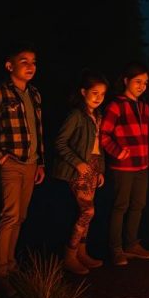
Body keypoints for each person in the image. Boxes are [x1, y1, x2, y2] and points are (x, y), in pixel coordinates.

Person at [0, 43, 45, 295]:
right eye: (23, 61)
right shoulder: (1, 94)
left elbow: (38, 130)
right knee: (10, 216)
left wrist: (41, 162)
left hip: (31, 163)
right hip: (11, 164)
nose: (30, 66)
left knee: (21, 217)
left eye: (33, 61)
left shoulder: (34, 94)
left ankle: (11, 266)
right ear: (9, 65)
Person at [53, 69, 128, 275]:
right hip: (79, 168)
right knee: (87, 211)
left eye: (102, 94)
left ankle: (82, 252)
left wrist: (101, 170)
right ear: (83, 92)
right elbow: (60, 143)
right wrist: (77, 162)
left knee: (87, 213)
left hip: (94, 166)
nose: (99, 98)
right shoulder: (76, 115)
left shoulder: (97, 116)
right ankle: (69, 255)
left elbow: (99, 146)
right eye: (94, 93)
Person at [100, 61, 149, 266]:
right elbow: (104, 134)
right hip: (123, 167)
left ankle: (131, 244)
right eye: (138, 81)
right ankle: (116, 249)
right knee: (120, 206)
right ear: (126, 81)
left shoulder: (144, 107)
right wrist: (117, 151)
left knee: (138, 205)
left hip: (142, 166)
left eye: (145, 82)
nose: (142, 86)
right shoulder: (116, 105)